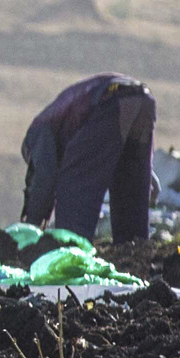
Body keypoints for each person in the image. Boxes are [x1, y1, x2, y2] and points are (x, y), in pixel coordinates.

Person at [20, 73, 155, 244]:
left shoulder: (37, 132)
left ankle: (71, 247)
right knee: (129, 179)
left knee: (73, 184)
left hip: (108, 101)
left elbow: (45, 178)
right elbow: (136, 162)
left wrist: (31, 227)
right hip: (142, 99)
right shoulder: (59, 122)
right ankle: (134, 247)